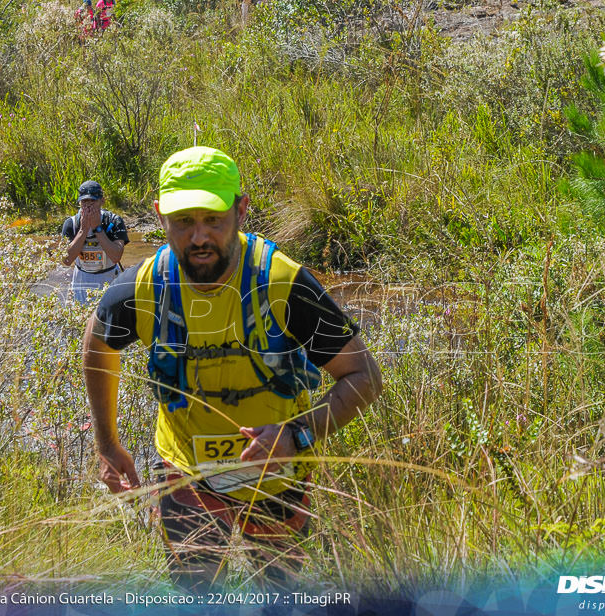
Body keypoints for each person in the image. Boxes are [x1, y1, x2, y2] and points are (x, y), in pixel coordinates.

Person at [82, 146, 382, 591]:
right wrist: (108, 443)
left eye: (213, 219)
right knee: (196, 596)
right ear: (160, 215)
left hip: (277, 474)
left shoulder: (283, 284)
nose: (199, 237)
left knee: (282, 594)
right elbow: (97, 345)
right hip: (186, 471)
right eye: (184, 221)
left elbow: (364, 377)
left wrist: (296, 434)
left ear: (241, 211)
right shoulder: (143, 288)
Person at [61, 180, 129, 305]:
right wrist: (83, 230)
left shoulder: (114, 221)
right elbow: (66, 260)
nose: (88, 206)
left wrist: (98, 228)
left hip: (109, 277)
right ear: (79, 203)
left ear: (102, 201)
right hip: (82, 279)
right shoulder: (71, 224)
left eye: (93, 201)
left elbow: (116, 256)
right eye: (84, 202)